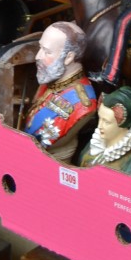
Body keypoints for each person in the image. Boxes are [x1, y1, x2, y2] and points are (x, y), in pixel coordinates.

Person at [24, 21, 97, 163]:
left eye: (47, 51)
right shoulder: (50, 78)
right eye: (40, 48)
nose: (37, 56)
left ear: (69, 57)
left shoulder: (82, 104)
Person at [79, 86, 131, 174]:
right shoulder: (94, 145)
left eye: (107, 122)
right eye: (100, 118)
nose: (99, 126)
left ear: (124, 124)